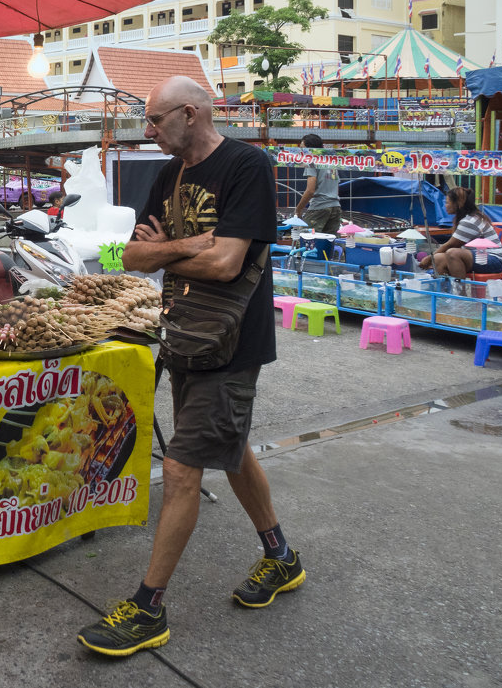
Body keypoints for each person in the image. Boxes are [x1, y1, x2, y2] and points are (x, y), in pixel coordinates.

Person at [77, 76, 304, 657]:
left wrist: (186, 250)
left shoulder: (246, 166)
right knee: (228, 446)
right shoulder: (167, 174)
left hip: (231, 342)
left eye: (154, 121)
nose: (147, 131)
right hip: (184, 335)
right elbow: (125, 255)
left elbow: (229, 265)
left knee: (181, 469)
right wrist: (190, 244)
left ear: (189, 113)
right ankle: (281, 556)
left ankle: (149, 607)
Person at [419, 186, 502, 278]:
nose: (445, 206)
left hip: (493, 260)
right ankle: (446, 290)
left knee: (453, 253)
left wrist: (429, 258)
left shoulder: (469, 221)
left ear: (458, 203)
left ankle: (460, 290)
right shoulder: (468, 218)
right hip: (479, 257)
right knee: (438, 258)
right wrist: (433, 257)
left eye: (447, 202)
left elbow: (451, 245)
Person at [293, 133, 342, 234]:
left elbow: (310, 190)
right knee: (329, 243)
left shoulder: (311, 162)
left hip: (319, 206)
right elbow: (336, 187)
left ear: (309, 149)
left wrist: (298, 209)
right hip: (335, 207)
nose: (301, 151)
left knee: (306, 240)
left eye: (302, 148)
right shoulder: (331, 162)